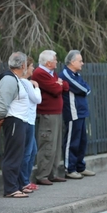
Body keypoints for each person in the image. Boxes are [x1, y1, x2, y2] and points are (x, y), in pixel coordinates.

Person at [0, 52, 30, 198]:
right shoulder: (9, 79)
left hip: (19, 121)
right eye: (26, 64)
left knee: (18, 155)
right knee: (12, 156)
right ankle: (10, 189)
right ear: (22, 65)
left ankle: (17, 185)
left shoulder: (15, 79)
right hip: (14, 121)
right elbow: (2, 104)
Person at [32, 50, 69, 185]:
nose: (56, 61)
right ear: (48, 62)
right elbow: (56, 90)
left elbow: (65, 86)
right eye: (54, 59)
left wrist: (60, 83)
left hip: (56, 113)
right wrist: (58, 84)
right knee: (47, 144)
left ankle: (52, 173)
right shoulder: (40, 73)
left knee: (56, 144)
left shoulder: (51, 73)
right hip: (47, 113)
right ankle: (42, 174)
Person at [59, 50, 95, 179]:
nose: (82, 63)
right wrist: (84, 89)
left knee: (82, 141)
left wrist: (85, 89)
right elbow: (83, 89)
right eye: (80, 61)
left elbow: (87, 88)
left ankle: (80, 166)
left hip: (81, 112)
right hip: (72, 112)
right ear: (72, 62)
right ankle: (70, 168)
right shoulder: (66, 75)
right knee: (72, 141)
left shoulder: (76, 75)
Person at [18, 56, 42, 191]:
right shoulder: (27, 83)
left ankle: (26, 179)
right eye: (32, 66)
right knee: (28, 152)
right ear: (26, 68)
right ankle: (24, 182)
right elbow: (37, 99)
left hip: (29, 120)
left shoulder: (26, 82)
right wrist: (37, 87)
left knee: (32, 151)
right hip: (28, 120)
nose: (33, 68)